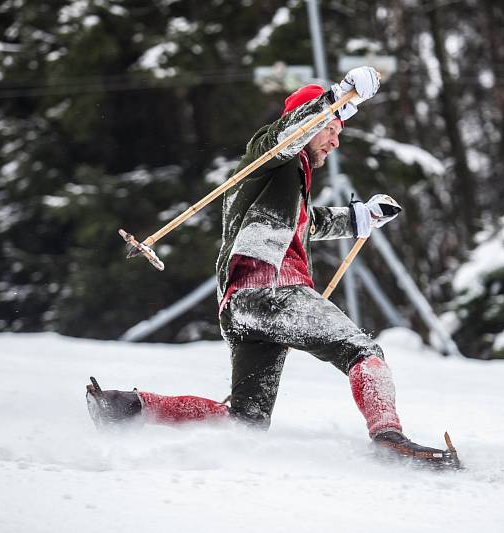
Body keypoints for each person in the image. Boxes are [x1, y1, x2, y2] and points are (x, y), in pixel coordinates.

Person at [87, 66, 459, 469]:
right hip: (274, 290)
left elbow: (304, 223)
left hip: (241, 305)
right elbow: (288, 134)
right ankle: (389, 440)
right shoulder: (270, 153)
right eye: (332, 129)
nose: (336, 141)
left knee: (245, 423)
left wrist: (359, 218)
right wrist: (338, 94)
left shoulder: (279, 183)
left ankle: (126, 407)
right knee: (363, 351)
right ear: (311, 120)